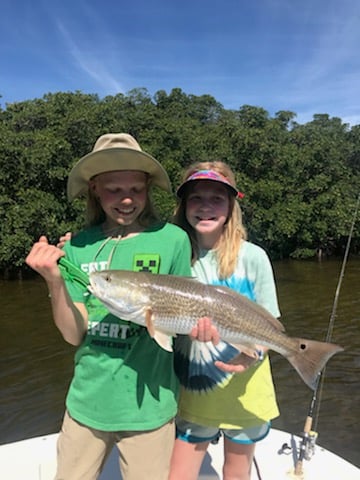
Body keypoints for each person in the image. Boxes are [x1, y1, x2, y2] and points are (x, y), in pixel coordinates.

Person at [25, 133, 193, 480]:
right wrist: (54, 281)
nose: (127, 199)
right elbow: (74, 334)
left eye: (136, 189)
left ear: (148, 189)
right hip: (86, 404)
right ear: (95, 191)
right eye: (114, 190)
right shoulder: (77, 247)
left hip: (151, 406)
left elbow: (184, 310)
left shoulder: (173, 239)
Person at [169, 162, 281, 480]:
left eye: (217, 198)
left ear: (231, 206)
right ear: (183, 205)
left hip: (247, 388)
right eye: (196, 198)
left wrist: (251, 355)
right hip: (194, 387)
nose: (206, 206)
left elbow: (269, 326)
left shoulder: (254, 257)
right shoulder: (175, 256)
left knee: (237, 471)